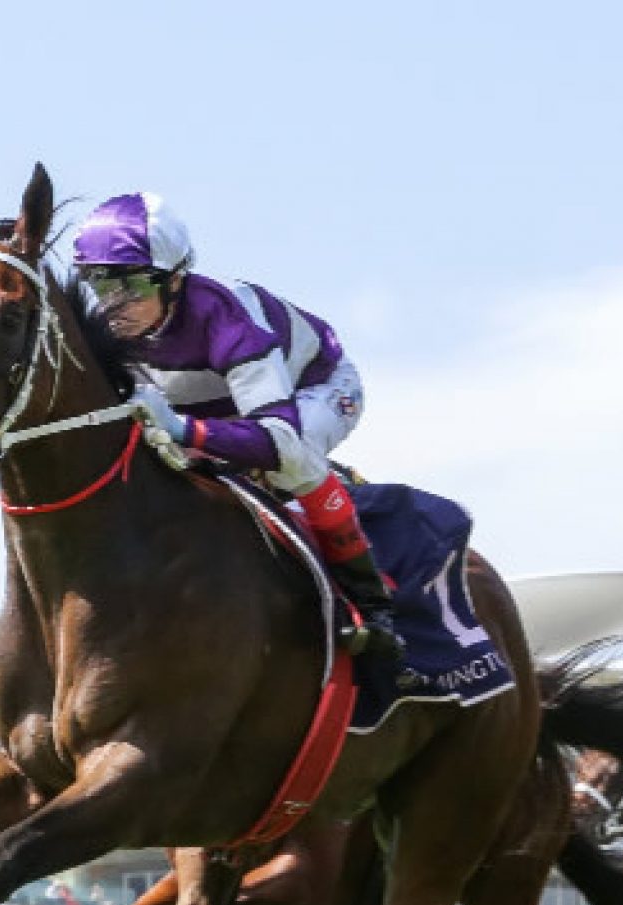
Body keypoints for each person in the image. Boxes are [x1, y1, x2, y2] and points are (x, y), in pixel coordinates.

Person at [71, 193, 402, 659]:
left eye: (133, 287)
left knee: (292, 460)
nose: (114, 306)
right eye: (101, 285)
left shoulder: (226, 317)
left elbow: (277, 438)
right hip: (223, 409)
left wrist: (186, 431)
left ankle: (371, 605)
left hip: (316, 391)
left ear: (175, 280)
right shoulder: (110, 326)